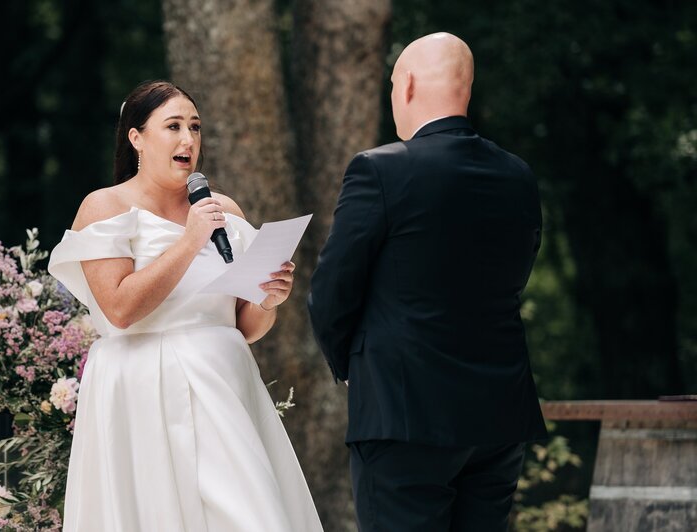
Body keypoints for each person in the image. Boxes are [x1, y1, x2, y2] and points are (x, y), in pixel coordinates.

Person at [49, 80, 323, 532]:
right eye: (173, 126)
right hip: (140, 385)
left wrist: (269, 298)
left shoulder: (223, 210)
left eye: (195, 127)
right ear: (136, 138)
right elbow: (119, 309)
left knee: (252, 518)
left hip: (224, 384)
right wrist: (191, 238)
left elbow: (244, 325)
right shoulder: (105, 207)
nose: (188, 140)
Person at [307, 33, 547, 531]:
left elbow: (332, 291)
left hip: (402, 411)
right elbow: (516, 273)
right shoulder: (517, 174)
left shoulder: (379, 170)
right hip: (498, 413)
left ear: (408, 83)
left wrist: (351, 364)